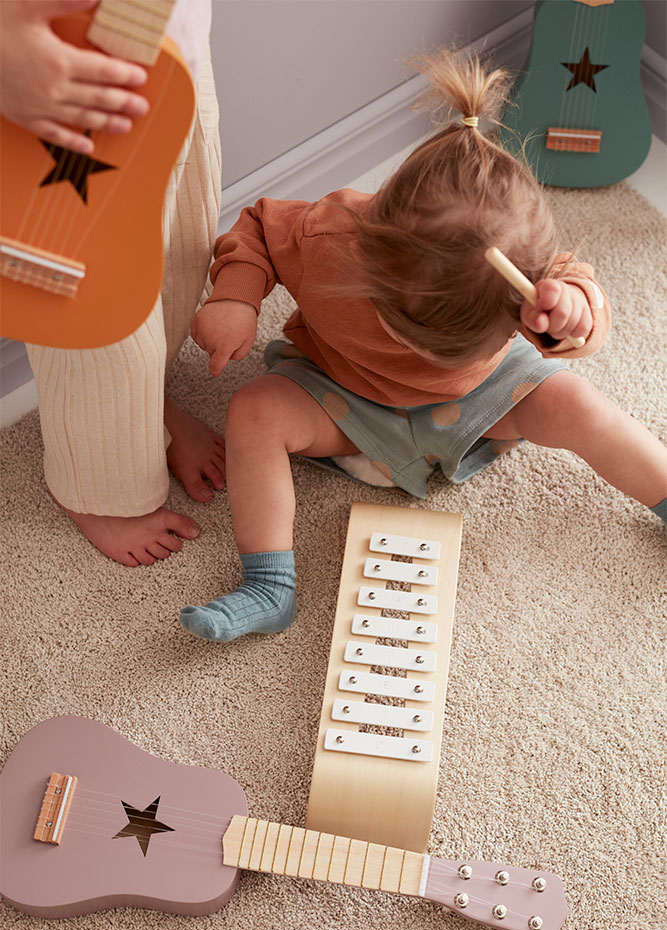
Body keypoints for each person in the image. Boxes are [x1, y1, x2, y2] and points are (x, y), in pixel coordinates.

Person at [179, 47, 667, 643]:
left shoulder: (530, 273)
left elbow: (588, 311)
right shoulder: (328, 233)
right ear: (371, 260)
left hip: (482, 398)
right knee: (253, 410)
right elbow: (256, 227)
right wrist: (235, 296)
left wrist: (572, 311)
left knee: (582, 407)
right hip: (345, 394)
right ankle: (268, 584)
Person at [0, 0, 224, 566]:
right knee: (94, 330)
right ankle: (98, 489)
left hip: (163, 55)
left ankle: (144, 404)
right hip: (40, 75)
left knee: (177, 255)